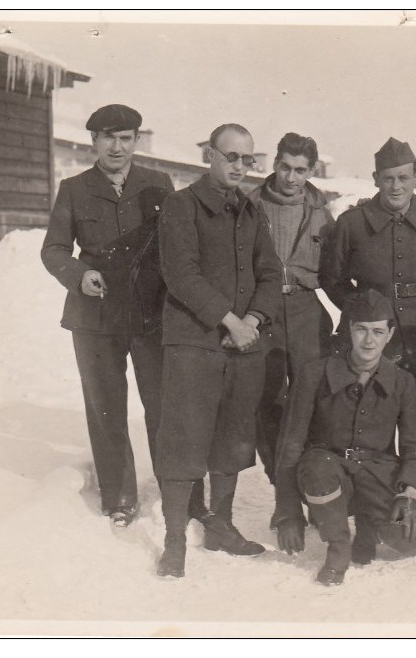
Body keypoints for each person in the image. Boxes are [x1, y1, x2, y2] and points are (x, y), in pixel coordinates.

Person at [40, 104, 209, 527]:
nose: (117, 147)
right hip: (94, 318)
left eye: (126, 137)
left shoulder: (159, 184)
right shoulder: (74, 188)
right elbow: (54, 249)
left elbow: (177, 243)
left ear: (137, 140)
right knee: (105, 408)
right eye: (108, 137)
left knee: (164, 405)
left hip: (150, 314)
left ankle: (179, 494)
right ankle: (118, 497)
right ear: (93, 141)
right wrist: (80, 275)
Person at [154, 123, 284, 578]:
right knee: (184, 441)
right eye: (232, 157)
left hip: (243, 346)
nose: (240, 167)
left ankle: (221, 528)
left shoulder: (252, 212)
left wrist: (253, 321)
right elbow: (181, 274)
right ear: (210, 155)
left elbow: (271, 273)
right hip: (195, 343)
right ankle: (174, 542)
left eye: (248, 160)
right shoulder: (181, 206)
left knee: (232, 440)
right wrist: (228, 319)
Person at [271, 289, 416, 586]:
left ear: (390, 333)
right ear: (348, 330)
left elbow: (413, 447)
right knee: (318, 468)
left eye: (378, 332)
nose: (369, 341)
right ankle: (338, 545)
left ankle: (368, 526)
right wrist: (288, 511)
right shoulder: (314, 373)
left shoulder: (403, 382)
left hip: (376, 471)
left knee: (407, 536)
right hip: (328, 470)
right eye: (361, 330)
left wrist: (410, 492)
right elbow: (290, 445)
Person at [320, 136, 416, 405]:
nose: (396, 187)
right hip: (371, 340)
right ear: (375, 179)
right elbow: (332, 278)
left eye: (404, 178)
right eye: (388, 179)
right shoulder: (352, 223)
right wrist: (363, 307)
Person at [247, 132, 335, 483]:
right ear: (275, 164)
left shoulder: (322, 213)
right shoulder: (248, 205)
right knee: (266, 401)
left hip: (305, 310)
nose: (291, 177)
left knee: (312, 398)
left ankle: (313, 486)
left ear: (311, 170)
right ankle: (282, 488)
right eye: (285, 167)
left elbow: (336, 270)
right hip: (262, 309)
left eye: (300, 170)